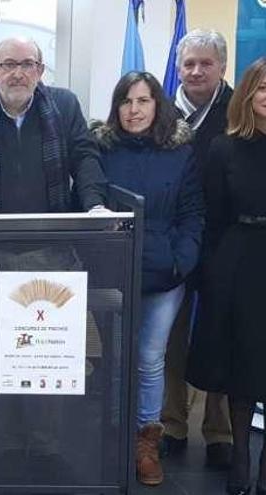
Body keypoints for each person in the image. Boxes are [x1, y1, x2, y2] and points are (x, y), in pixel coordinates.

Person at [91, 71, 204, 486]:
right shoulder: (100, 149)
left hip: (164, 273)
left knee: (149, 358)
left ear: (157, 105)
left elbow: (193, 212)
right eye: (126, 101)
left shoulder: (180, 152)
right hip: (111, 270)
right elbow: (86, 201)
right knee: (111, 357)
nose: (133, 110)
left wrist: (181, 260)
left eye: (142, 101)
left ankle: (145, 442)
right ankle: (111, 437)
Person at [187, 57, 266, 495]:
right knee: (242, 366)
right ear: (249, 94)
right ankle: (240, 458)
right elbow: (212, 219)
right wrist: (215, 273)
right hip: (237, 262)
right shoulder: (224, 148)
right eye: (263, 88)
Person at [161, 28, 234, 467]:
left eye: (206, 63)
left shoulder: (239, 112)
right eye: (188, 63)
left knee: (224, 337)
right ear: (177, 67)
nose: (196, 71)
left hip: (228, 245)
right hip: (174, 245)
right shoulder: (161, 113)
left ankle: (220, 432)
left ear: (222, 68)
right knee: (171, 338)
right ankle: (171, 423)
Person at [0, 37, 107, 214]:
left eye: (27, 64)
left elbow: (84, 159)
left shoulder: (65, 105)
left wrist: (95, 204)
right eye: (9, 64)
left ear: (40, 71)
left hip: (52, 231)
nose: (18, 74)